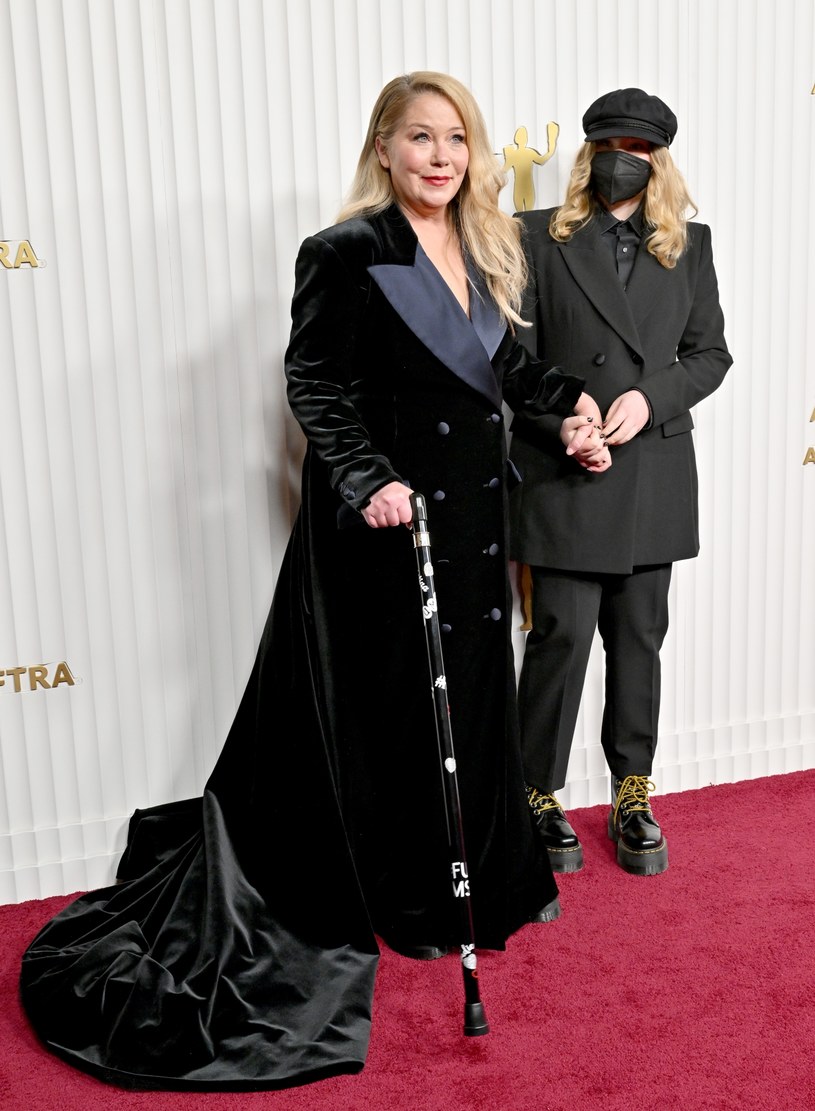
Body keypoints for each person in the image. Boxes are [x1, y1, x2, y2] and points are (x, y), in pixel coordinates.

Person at [20, 72, 586, 1091]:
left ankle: (482, 883)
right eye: (418, 137)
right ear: (383, 147)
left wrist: (571, 405)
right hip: (381, 533)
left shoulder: (489, 248)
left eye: (454, 138)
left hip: (467, 530)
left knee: (470, 702)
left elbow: (504, 372)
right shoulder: (343, 253)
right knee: (398, 714)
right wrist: (366, 476)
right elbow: (314, 381)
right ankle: (403, 897)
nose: (438, 156)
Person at [509, 88, 732, 877]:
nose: (621, 160)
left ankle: (631, 792)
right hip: (566, 467)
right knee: (560, 637)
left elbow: (709, 354)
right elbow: (512, 362)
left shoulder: (688, 244)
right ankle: (534, 795)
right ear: (588, 152)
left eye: (637, 148)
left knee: (637, 640)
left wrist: (648, 396)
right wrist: (564, 423)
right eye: (609, 144)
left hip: (653, 469)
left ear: (657, 159)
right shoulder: (534, 237)